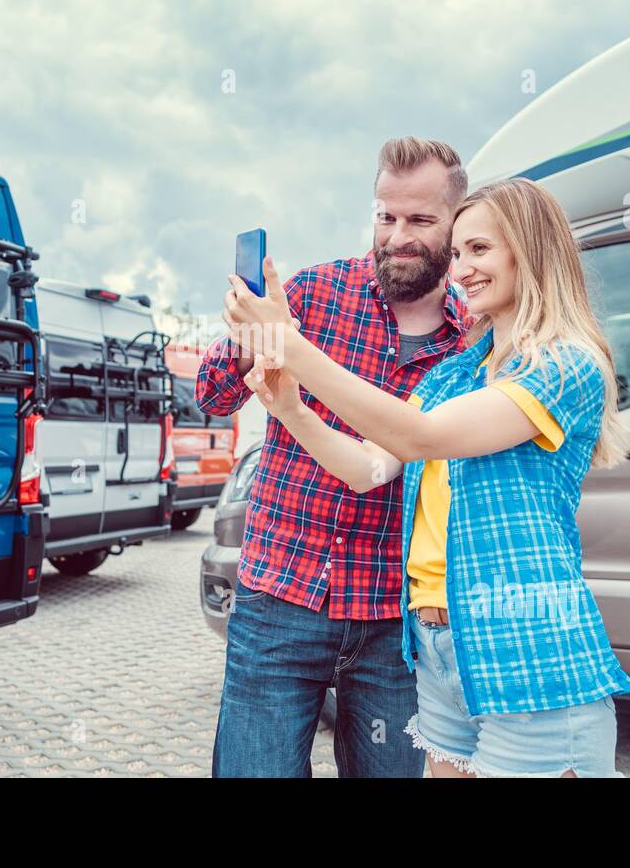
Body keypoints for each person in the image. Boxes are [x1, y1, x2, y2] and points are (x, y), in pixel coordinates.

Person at [226, 177, 630, 778]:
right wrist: (289, 407)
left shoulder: (565, 366)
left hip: (525, 640)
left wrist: (289, 345)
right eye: (459, 252)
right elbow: (369, 466)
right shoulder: (454, 376)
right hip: (438, 647)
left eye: (480, 250)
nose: (460, 269)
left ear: (530, 250)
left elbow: (422, 438)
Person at [199, 137, 474, 777]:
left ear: (456, 224)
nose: (397, 236)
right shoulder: (314, 293)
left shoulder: (471, 339)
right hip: (281, 597)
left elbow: (388, 464)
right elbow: (212, 394)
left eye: (420, 220)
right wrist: (251, 341)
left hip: (394, 618)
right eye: (386, 216)